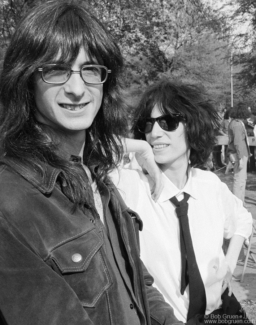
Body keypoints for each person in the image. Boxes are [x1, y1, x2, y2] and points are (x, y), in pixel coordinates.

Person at [0, 2, 182, 325]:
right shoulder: (10, 201)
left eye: (90, 69)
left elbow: (134, 282)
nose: (76, 88)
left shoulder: (99, 179)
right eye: (56, 69)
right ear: (26, 79)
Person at [111, 79, 253, 324]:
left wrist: (229, 264)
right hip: (166, 318)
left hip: (222, 313)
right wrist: (139, 150)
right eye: (148, 124)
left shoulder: (208, 184)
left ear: (193, 125)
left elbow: (242, 219)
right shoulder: (129, 185)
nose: (155, 133)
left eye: (168, 122)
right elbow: (71, 154)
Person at [227, 103, 251, 202]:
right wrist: (241, 157)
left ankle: (240, 202)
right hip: (239, 155)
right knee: (239, 180)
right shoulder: (237, 124)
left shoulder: (235, 122)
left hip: (240, 154)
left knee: (242, 179)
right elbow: (238, 142)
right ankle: (238, 204)